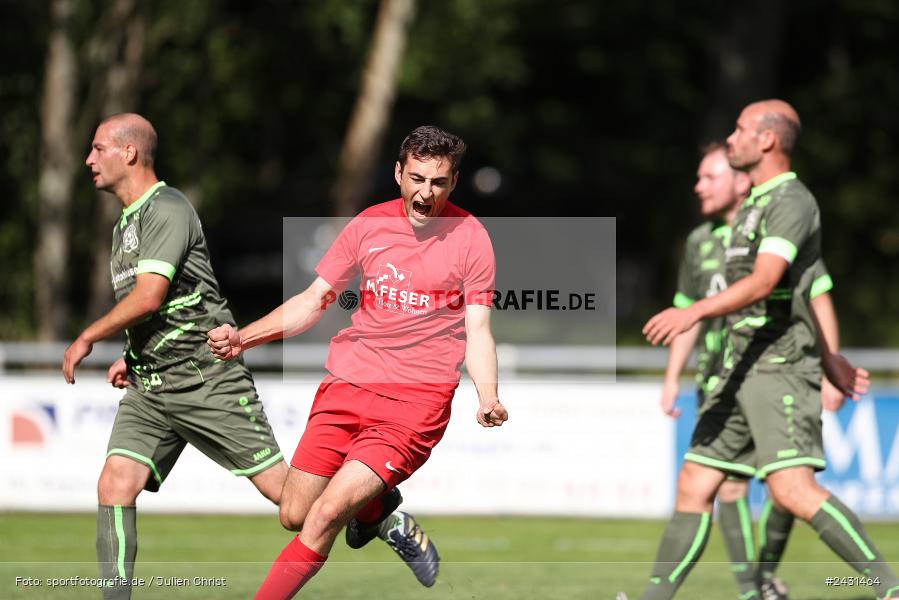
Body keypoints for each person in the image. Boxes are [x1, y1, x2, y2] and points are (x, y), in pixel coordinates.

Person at [207, 125, 508, 599]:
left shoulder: (471, 237)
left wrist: (488, 396)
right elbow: (312, 301)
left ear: (454, 182)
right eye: (417, 179)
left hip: (414, 403)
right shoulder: (369, 224)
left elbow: (479, 329)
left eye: (438, 182)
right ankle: (381, 513)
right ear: (398, 174)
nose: (425, 193)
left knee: (326, 515)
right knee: (295, 514)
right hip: (347, 386)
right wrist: (244, 338)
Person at [626, 99, 899, 600]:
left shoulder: (791, 201)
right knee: (694, 481)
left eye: (740, 129)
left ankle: (890, 587)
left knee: (791, 490)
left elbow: (768, 282)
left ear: (767, 139)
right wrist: (831, 358)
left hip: (777, 366)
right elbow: (792, 292)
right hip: (737, 366)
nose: (732, 138)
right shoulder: (752, 204)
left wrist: (695, 311)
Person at [62, 114, 289, 599]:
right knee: (115, 484)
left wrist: (87, 337)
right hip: (151, 386)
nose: (88, 159)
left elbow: (149, 297)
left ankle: (379, 515)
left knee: (290, 501)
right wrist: (132, 354)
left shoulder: (167, 208)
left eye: (97, 148)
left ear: (128, 153)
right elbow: (164, 308)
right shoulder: (126, 221)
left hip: (205, 378)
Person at [662, 142, 844, 599]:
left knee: (789, 490)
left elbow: (817, 296)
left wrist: (830, 364)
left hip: (774, 372)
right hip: (720, 378)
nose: (699, 186)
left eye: (709, 176)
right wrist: (672, 379)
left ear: (740, 179)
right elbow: (686, 314)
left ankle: (878, 583)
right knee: (722, 486)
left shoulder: (778, 222)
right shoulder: (699, 242)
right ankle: (753, 591)